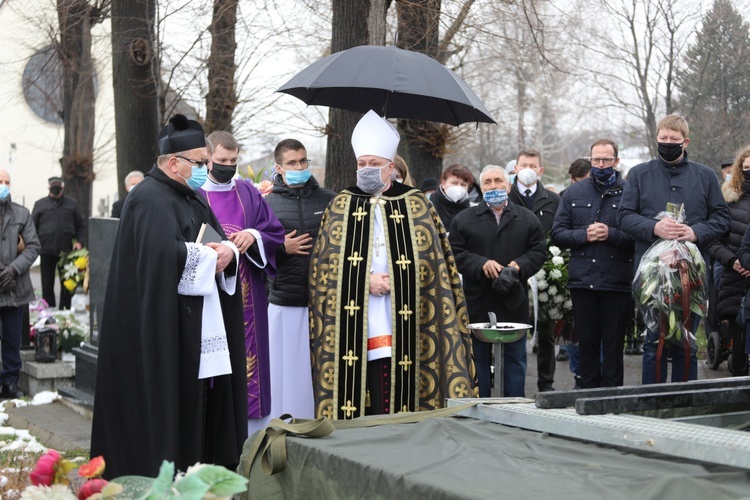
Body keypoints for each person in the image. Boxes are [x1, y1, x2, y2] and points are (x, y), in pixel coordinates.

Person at [91, 114, 248, 478]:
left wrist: (229, 251)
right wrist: (212, 255)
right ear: (174, 162)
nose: (205, 169)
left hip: (195, 322)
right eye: (199, 162)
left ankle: (201, 470)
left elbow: (216, 237)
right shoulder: (148, 197)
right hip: (162, 328)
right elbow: (162, 257)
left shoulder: (190, 196)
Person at [309, 110, 475, 419]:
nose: (367, 170)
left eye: (374, 164)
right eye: (362, 164)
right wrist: (363, 281)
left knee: (394, 382)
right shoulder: (341, 204)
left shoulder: (416, 203)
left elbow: (435, 265)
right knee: (362, 383)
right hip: (355, 314)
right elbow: (323, 268)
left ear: (390, 167)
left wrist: (400, 279)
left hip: (406, 312)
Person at [618, 114, 731, 384]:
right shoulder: (639, 174)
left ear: (685, 141)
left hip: (690, 275)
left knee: (686, 342)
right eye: (663, 139)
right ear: (656, 139)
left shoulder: (704, 176)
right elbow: (623, 216)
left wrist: (695, 232)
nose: (668, 143)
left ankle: (683, 401)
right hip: (651, 276)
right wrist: (654, 228)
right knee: (652, 343)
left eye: (674, 140)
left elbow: (722, 218)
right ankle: (651, 403)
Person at [199, 130, 285, 435]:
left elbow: (274, 231)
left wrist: (254, 235)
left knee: (249, 364)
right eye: (222, 160)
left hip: (249, 294)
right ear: (207, 158)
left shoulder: (248, 192)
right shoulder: (195, 194)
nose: (228, 165)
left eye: (234, 160)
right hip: (209, 295)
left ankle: (251, 434)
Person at [450, 165, 546, 397]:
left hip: (513, 300)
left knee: (515, 359)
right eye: (488, 182)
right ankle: (480, 408)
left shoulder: (527, 218)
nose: (493, 186)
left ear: (509, 185)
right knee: (477, 360)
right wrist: (481, 263)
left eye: (498, 181)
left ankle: (513, 408)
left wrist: (518, 266)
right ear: (481, 188)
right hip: (477, 301)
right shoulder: (464, 219)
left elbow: (538, 252)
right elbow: (455, 254)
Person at [551, 140, 634, 388]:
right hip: (583, 281)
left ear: (616, 162)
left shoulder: (630, 192)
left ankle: (611, 399)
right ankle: (586, 397)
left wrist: (611, 233)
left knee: (613, 346)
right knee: (586, 345)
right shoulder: (574, 193)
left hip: (616, 282)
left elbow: (637, 237)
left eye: (606, 160)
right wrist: (583, 235)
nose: (600, 165)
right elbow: (557, 233)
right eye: (596, 160)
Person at [265, 138, 335, 420]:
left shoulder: (329, 200)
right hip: (286, 302)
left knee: (320, 376)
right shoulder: (267, 204)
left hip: (324, 304)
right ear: (279, 168)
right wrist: (283, 249)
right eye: (292, 163)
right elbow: (257, 255)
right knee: (287, 376)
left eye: (303, 161)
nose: (299, 166)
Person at [508, 149, 561, 392]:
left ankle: (546, 384)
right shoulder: (506, 197)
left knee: (546, 332)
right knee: (512, 330)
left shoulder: (552, 200)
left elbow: (557, 233)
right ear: (515, 169)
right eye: (523, 164)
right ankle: (512, 385)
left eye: (533, 165)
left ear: (540, 170)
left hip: (545, 271)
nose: (527, 169)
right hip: (513, 270)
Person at [708, 146, 750, 376]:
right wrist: (733, 261)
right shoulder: (728, 201)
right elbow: (714, 242)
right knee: (739, 345)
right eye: (746, 168)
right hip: (735, 279)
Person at [0, 169, 40, 399]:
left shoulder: (21, 213)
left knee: (12, 339)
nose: (3, 185)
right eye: (0, 181)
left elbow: (34, 246)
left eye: (7, 181)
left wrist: (14, 268)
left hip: (15, 288)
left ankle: (10, 383)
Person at [31, 176, 86, 310]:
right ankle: (48, 314)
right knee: (47, 285)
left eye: (58, 185)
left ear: (63, 187)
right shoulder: (40, 204)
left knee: (67, 284)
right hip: (46, 251)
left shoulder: (72, 204)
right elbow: (32, 227)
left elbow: (81, 225)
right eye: (53, 185)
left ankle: (65, 312)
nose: (56, 188)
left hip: (67, 253)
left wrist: (80, 242)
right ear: (49, 187)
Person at [430, 163, 475, 231]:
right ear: (443, 183)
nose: (458, 187)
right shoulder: (429, 205)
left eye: (463, 185)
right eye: (454, 183)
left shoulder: (473, 210)